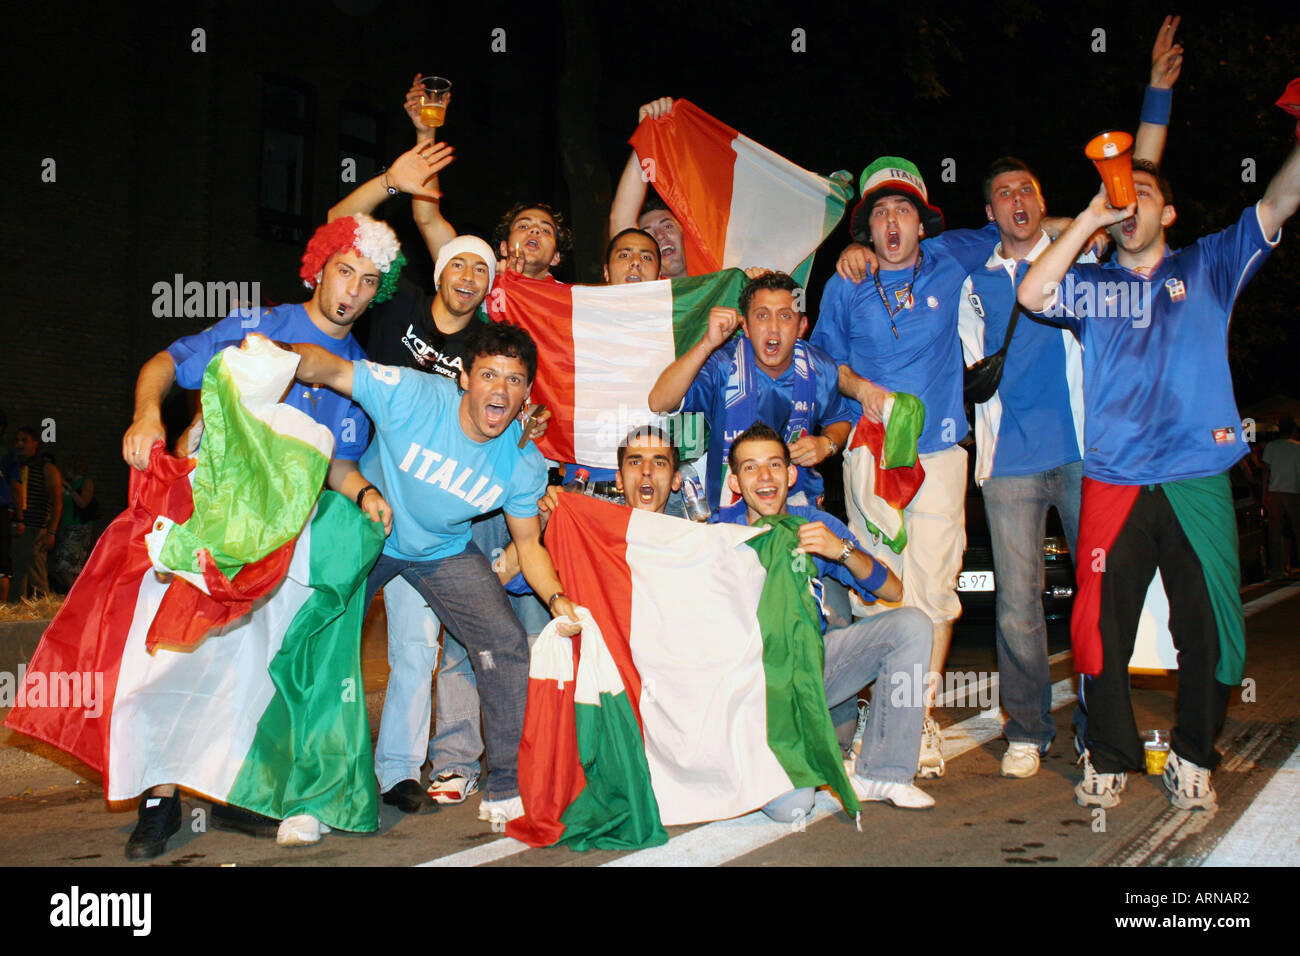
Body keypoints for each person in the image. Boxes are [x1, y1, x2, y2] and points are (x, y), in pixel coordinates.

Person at [1017, 136, 1300, 811]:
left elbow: (1282, 198)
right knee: (1099, 627)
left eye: (1142, 195)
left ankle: (1195, 755)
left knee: (1207, 626)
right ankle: (1109, 753)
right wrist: (1088, 219)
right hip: (1114, 480)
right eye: (1120, 196)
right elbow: (1031, 292)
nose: (1128, 204)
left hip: (1197, 476)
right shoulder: (1090, 285)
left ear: (1168, 215)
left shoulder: (1210, 265)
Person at [118, 213, 402, 857]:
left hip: (281, 538)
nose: (352, 289)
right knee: (171, 656)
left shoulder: (355, 370)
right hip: (209, 518)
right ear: (318, 267)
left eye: (368, 280)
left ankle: (242, 784)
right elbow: (166, 361)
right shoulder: (260, 325)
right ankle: (159, 799)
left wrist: (365, 495)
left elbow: (339, 462)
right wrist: (146, 416)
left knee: (254, 666)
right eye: (344, 271)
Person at [288, 319, 582, 827]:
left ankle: (508, 782)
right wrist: (269, 353)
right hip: (370, 531)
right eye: (489, 375)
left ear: (527, 392)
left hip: (441, 550)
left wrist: (557, 599)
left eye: (514, 380)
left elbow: (528, 543)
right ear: (463, 377)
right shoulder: (413, 394)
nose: (501, 390)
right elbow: (331, 368)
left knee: (504, 643)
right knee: (318, 642)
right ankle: (308, 790)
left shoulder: (522, 461)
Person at [714, 423, 934, 815]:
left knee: (912, 625)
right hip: (751, 688)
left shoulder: (815, 525)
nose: (765, 478)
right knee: (795, 807)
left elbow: (893, 592)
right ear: (734, 479)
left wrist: (842, 550)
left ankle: (884, 772)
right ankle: (747, 759)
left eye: (774, 465)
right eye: (750, 468)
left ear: (791, 473)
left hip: (812, 669)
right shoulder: (716, 533)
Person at [649, 271, 853, 513]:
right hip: (729, 506)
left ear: (802, 327)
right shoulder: (723, 364)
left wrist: (826, 444)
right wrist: (706, 343)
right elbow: (658, 401)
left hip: (798, 502)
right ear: (744, 325)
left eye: (785, 316)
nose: (773, 328)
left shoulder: (821, 368)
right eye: (762, 316)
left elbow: (839, 420)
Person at [609, 97, 689, 278]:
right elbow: (620, 221)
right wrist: (646, 134)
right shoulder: (647, 291)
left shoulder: (724, 272)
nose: (660, 236)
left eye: (668, 226)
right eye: (649, 233)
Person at [11, 426, 62, 600]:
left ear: (35, 444)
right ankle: (17, 609)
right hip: (15, 527)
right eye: (17, 440)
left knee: (36, 573)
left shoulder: (47, 469)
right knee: (17, 573)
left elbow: (57, 502)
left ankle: (43, 606)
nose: (19, 444)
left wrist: (51, 531)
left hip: (35, 528)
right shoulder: (13, 467)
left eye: (24, 440)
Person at [1262, 417, 1300, 579]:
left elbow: (1265, 471)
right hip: (1293, 491)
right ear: (1293, 430)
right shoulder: (1297, 447)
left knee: (1275, 532)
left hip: (1274, 491)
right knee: (1298, 529)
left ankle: (1278, 569)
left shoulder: (1271, 447)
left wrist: (1264, 492)